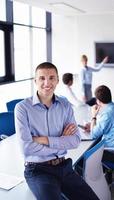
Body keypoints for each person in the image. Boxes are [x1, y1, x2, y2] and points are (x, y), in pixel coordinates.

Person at [15, 62, 99, 200]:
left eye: (51, 78)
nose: (47, 82)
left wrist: (44, 140)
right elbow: (26, 148)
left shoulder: (65, 105)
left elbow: (75, 141)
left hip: (64, 166)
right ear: (35, 81)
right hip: (38, 170)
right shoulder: (22, 108)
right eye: (42, 78)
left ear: (58, 80)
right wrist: (61, 141)